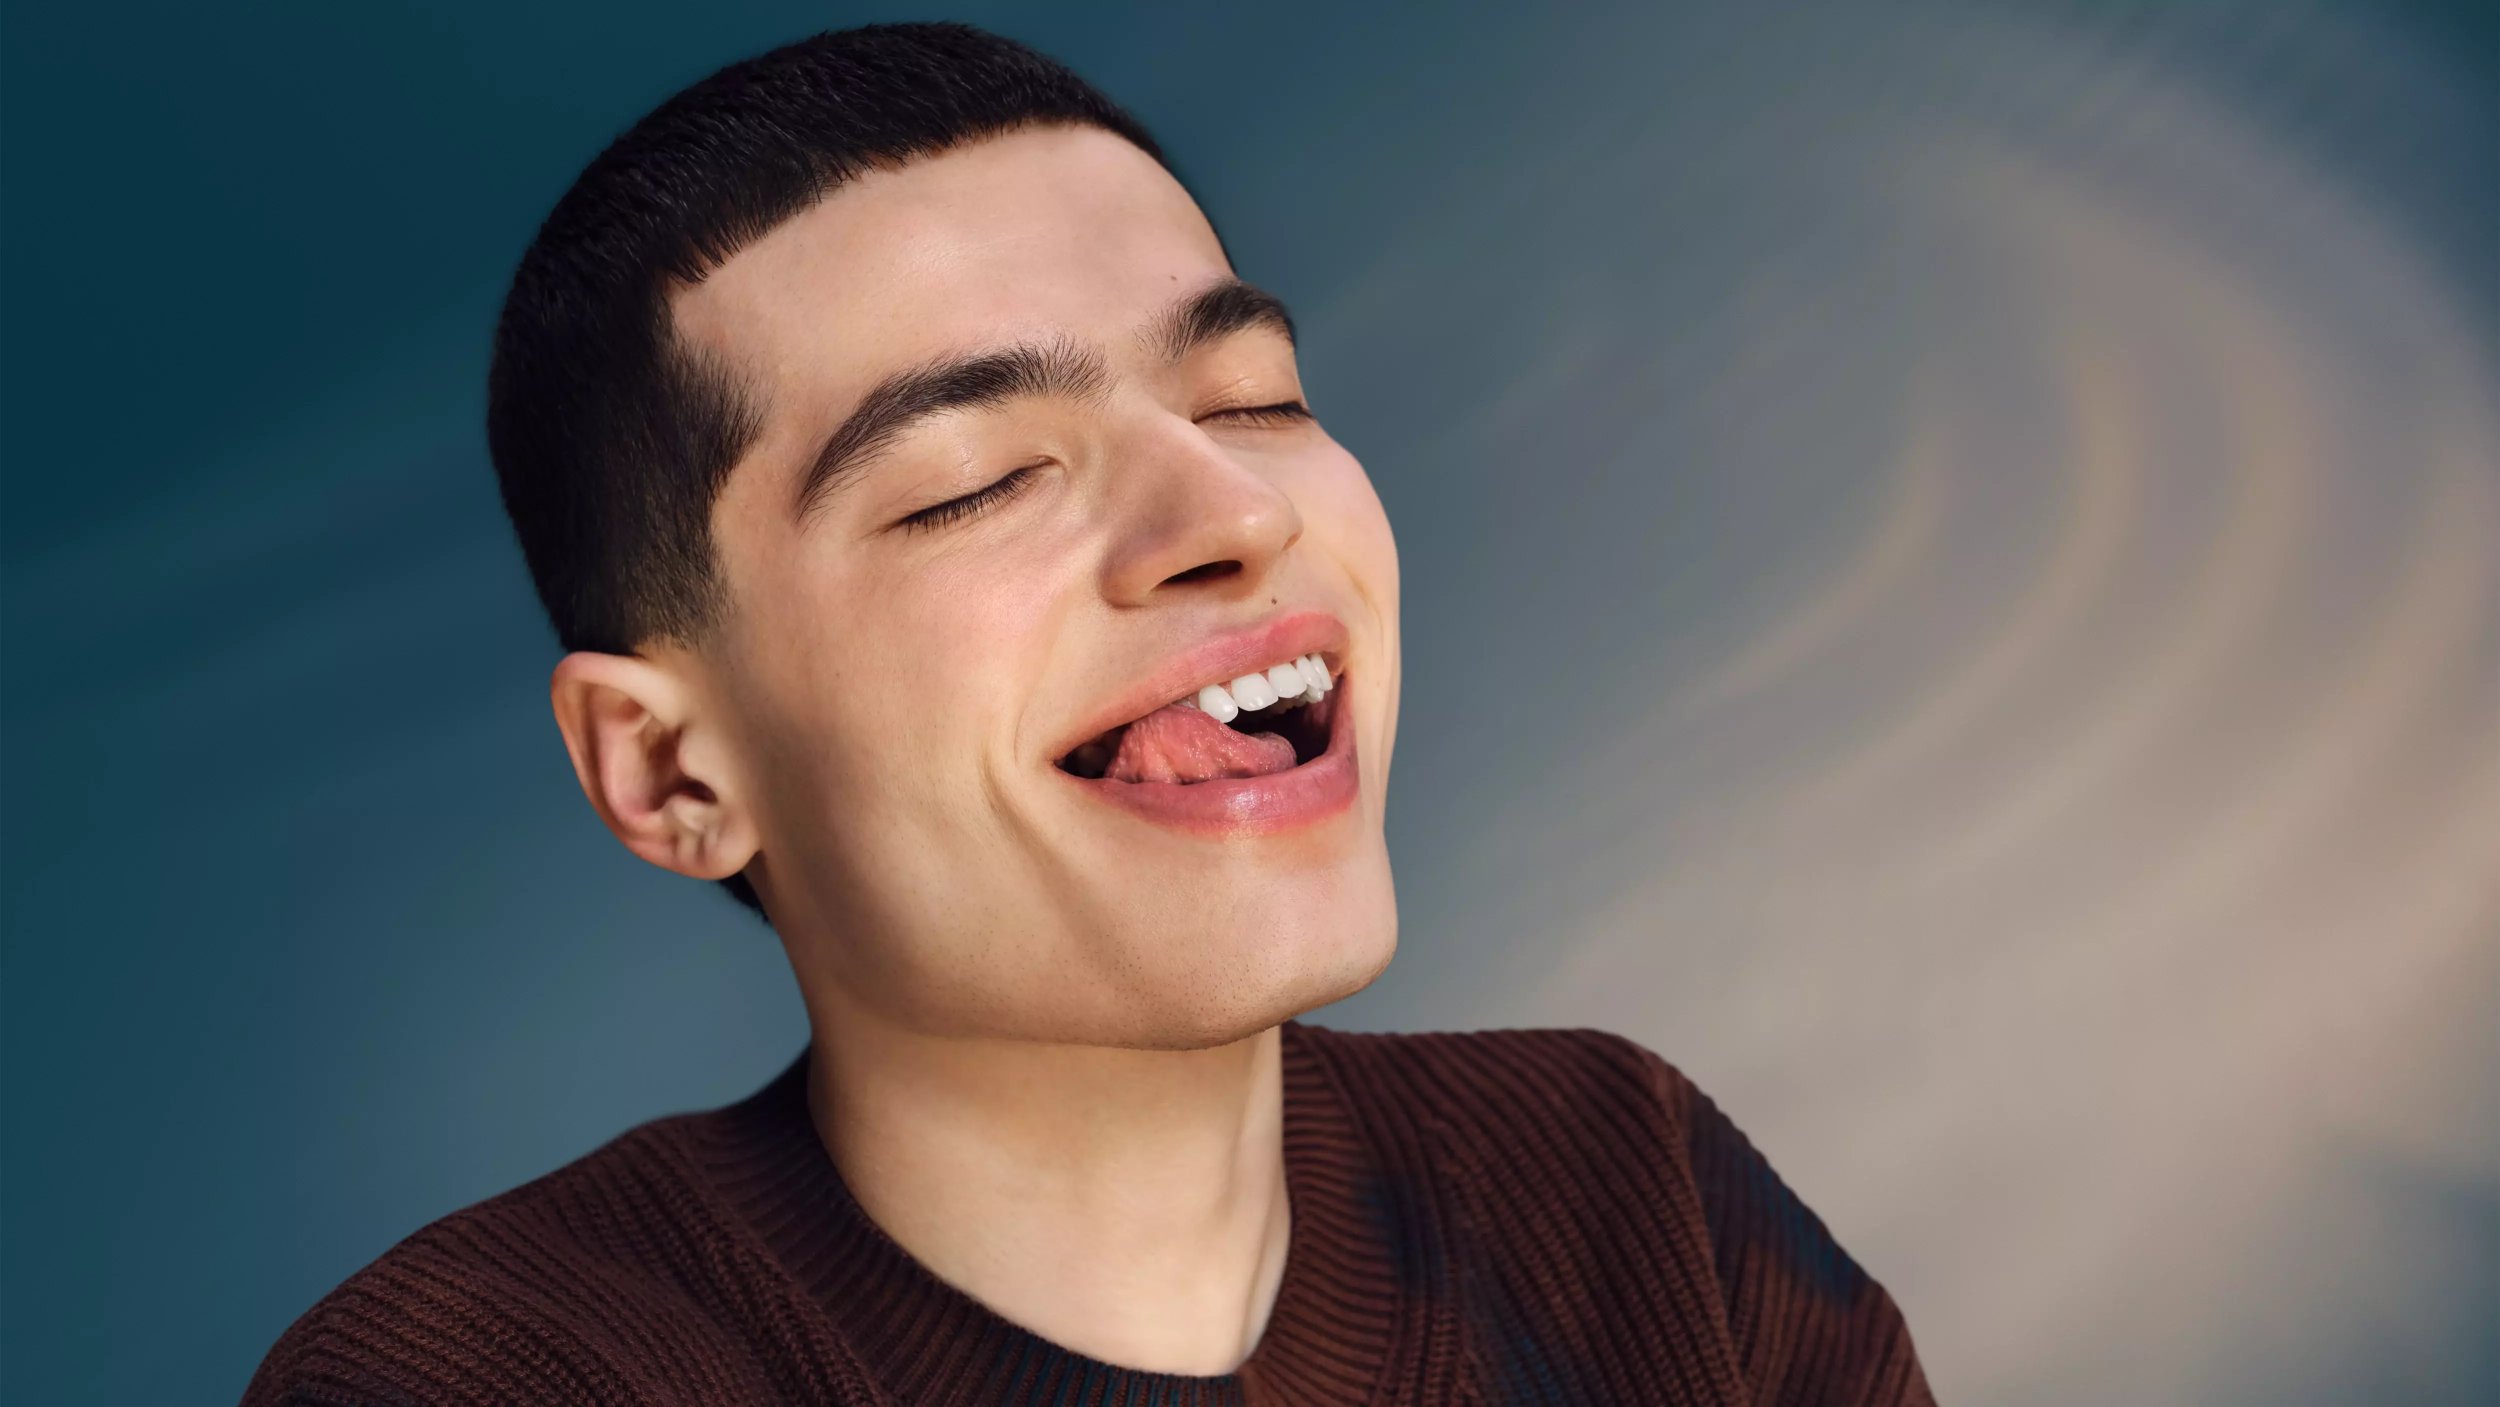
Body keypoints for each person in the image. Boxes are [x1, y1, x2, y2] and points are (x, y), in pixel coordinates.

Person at [241, 21, 1933, 1406]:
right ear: (671, 771)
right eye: (976, 482)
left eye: (1251, 398)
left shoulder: (1621, 1189)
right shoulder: (497, 1375)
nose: (1234, 513)